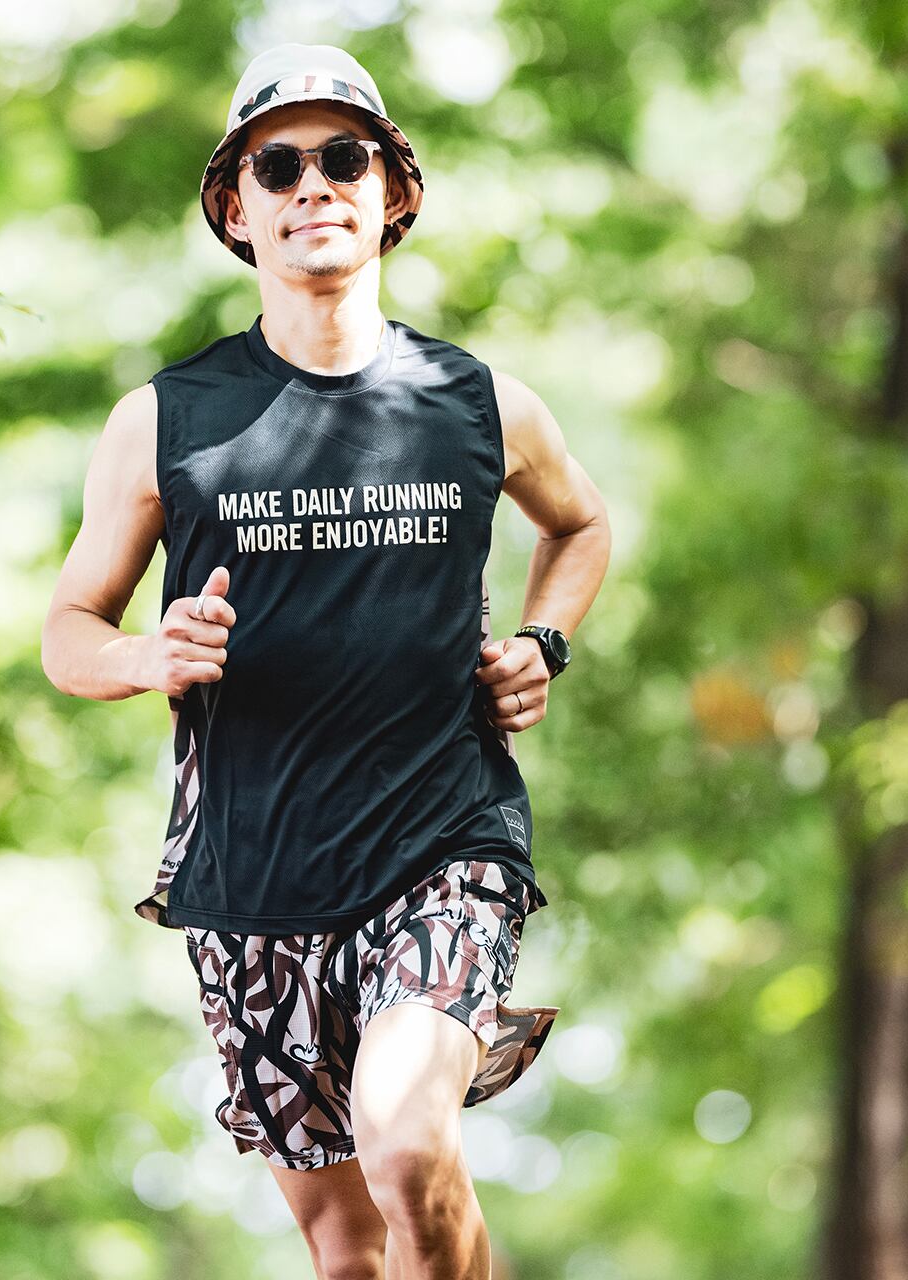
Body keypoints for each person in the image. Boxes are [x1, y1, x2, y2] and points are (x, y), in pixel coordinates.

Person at [42, 41, 611, 1280]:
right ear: (234, 208)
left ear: (390, 190)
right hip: (249, 876)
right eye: (278, 165)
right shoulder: (164, 420)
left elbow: (577, 525)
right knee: (347, 1244)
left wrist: (541, 642)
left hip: (442, 843)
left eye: (344, 157)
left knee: (406, 1140)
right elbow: (67, 631)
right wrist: (147, 652)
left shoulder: (478, 402)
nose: (314, 184)